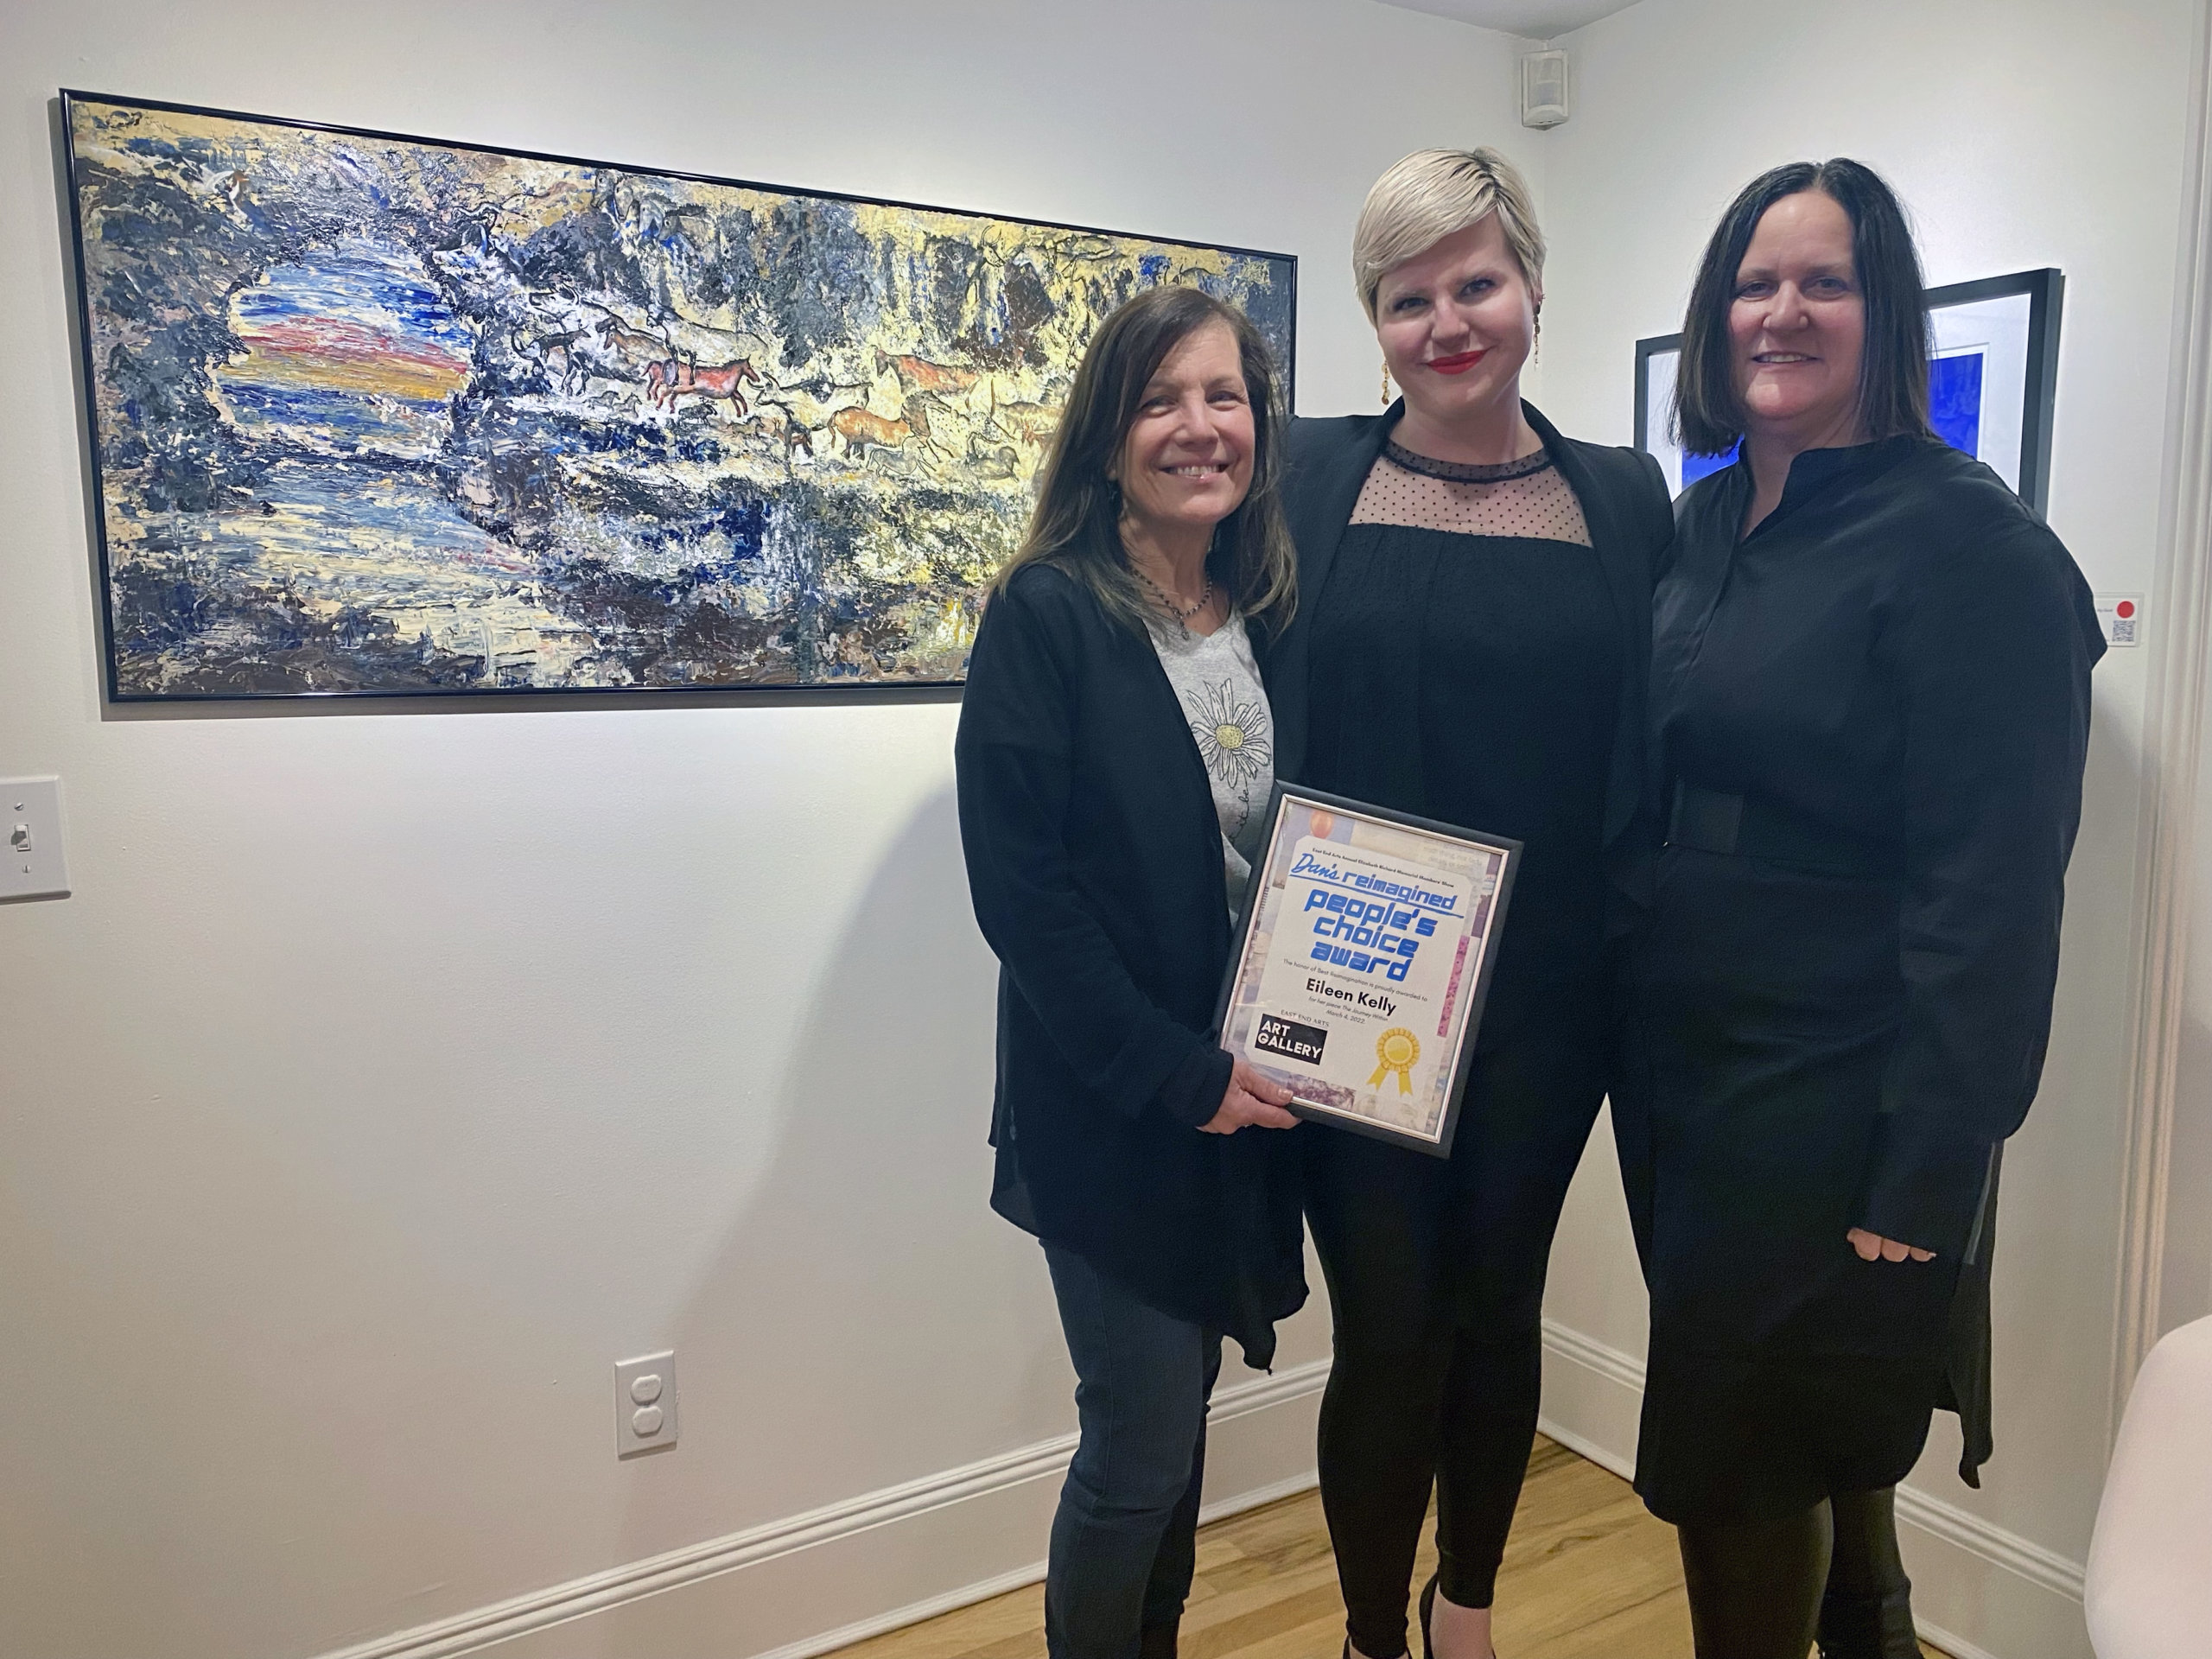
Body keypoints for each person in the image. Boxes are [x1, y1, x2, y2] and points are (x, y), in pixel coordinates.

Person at [1618, 158, 2104, 1658]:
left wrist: (1929, 1173)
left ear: (1886, 311)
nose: (1783, 313)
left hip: (1834, 1089)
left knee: (1736, 1462)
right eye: (1754, 284)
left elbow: (1998, 892)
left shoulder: (1977, 549)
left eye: (1824, 281)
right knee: (1813, 1434)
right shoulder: (1699, 535)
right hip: (1688, 1078)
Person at [1264, 149, 1674, 1659]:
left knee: (1499, 1316)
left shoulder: (1622, 502)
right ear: (1374, 319)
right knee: (1387, 1334)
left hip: (1553, 1006)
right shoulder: (1309, 476)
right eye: (1408, 295)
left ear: (1534, 291)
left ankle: (1468, 1610)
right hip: (1352, 990)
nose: (1447, 321)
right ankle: (1377, 1631)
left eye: (1476, 283)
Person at [955, 283, 1307, 1659]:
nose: (1198, 427)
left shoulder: (1263, 607)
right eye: (1161, 400)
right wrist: (1179, 1075)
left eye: (1224, 398)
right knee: (1139, 1447)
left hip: (1241, 1088)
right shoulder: (1047, 615)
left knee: (1181, 1426)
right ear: (1106, 440)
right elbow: (1024, 898)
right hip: (1117, 1101)